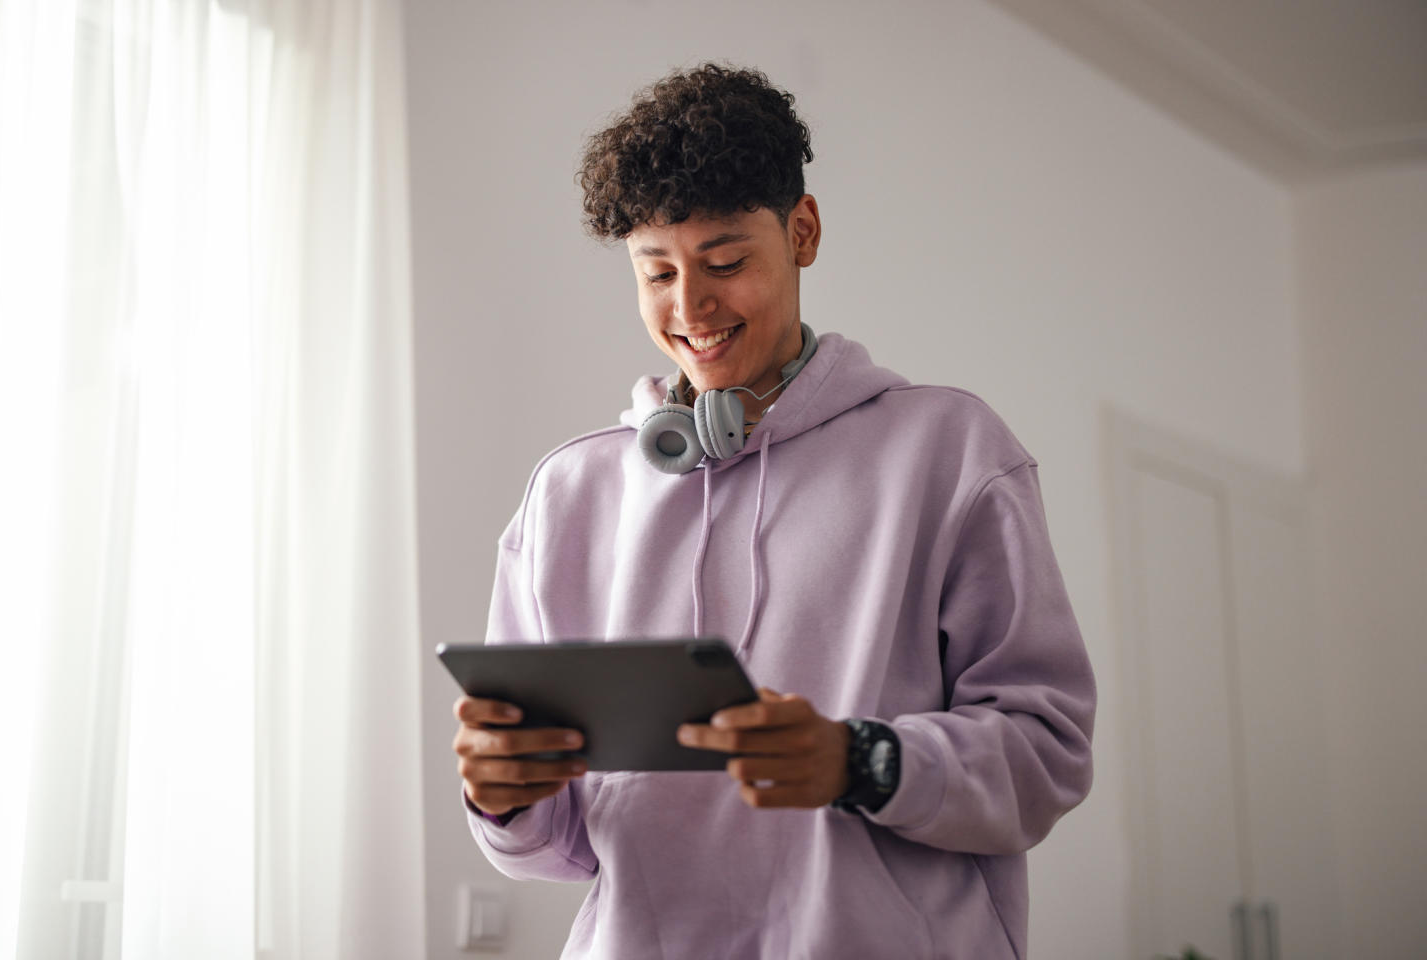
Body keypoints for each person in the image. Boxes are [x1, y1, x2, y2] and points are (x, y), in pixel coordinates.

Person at [451, 62, 1095, 959]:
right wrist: (505, 795)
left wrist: (861, 761)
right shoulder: (569, 496)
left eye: (724, 262)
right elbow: (555, 845)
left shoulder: (949, 452)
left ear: (803, 230)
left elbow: (1047, 754)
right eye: (656, 273)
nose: (691, 307)